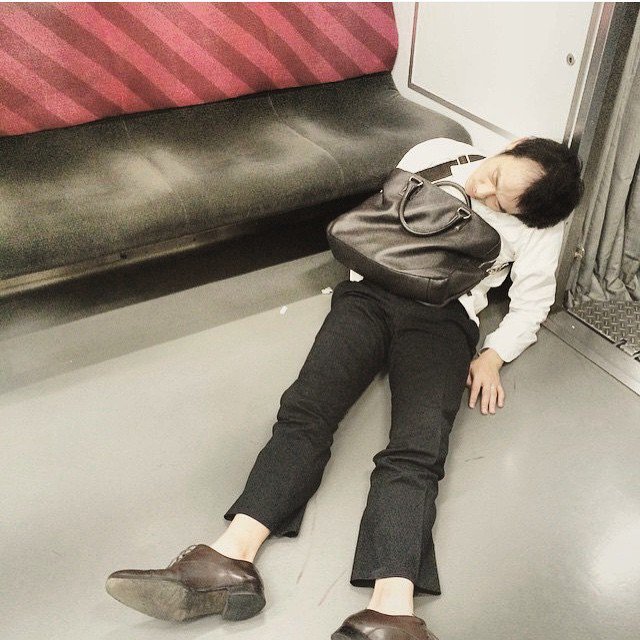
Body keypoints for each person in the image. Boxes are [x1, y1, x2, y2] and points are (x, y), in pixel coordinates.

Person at [105, 136, 584, 640]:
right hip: (368, 296)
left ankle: (391, 612)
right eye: (495, 178)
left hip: (444, 318)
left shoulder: (539, 226)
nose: (484, 193)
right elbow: (381, 223)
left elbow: (533, 300)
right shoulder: (437, 153)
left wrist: (494, 353)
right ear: (510, 146)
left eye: (499, 204)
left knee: (417, 449)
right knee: (305, 411)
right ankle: (229, 558)